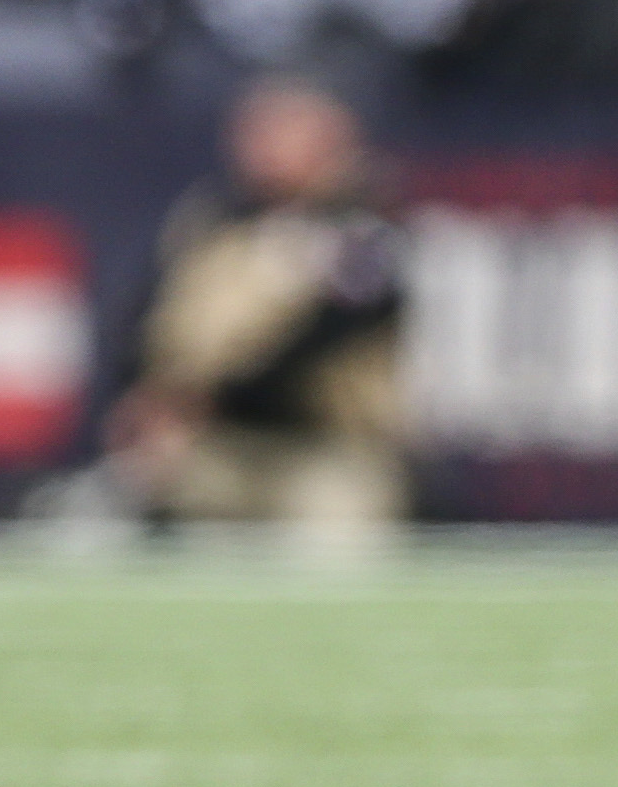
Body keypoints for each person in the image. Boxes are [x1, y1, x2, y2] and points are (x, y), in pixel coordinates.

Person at [98, 78, 411, 540]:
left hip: (324, 450)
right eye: (256, 132)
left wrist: (199, 399)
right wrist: (147, 392)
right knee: (94, 518)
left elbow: (317, 342)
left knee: (338, 534)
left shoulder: (365, 229)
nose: (263, 148)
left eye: (285, 132)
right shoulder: (209, 221)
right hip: (211, 446)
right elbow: (143, 317)